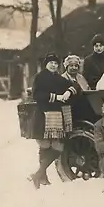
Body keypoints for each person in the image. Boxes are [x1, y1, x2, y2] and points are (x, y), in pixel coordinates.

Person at [28, 52, 80, 189]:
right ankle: (42, 177)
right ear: (46, 64)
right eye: (51, 62)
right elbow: (37, 95)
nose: (54, 65)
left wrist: (69, 91)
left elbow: (75, 86)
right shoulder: (39, 77)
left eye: (56, 63)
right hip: (44, 114)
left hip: (57, 116)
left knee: (58, 147)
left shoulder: (59, 78)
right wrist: (56, 97)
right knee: (44, 145)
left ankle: (38, 174)